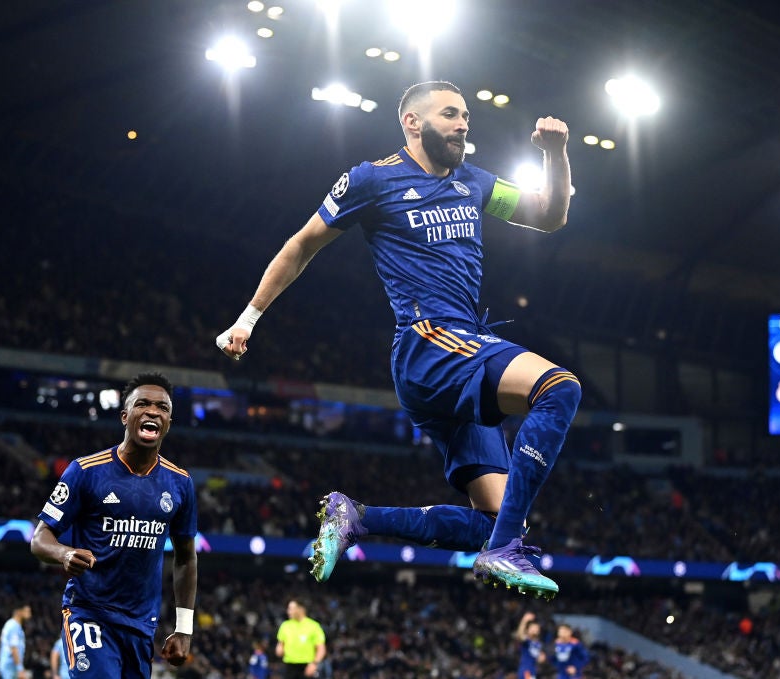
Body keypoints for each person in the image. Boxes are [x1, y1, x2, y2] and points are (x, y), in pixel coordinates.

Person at [216, 80, 579, 599]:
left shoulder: (473, 182)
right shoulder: (372, 179)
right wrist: (248, 318)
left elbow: (550, 215)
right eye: (450, 114)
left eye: (466, 116)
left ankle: (358, 517)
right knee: (559, 388)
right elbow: (301, 246)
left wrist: (557, 154)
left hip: (462, 350)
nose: (462, 124)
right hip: (429, 343)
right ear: (412, 122)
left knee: (496, 521)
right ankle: (504, 554)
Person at [30, 372, 199, 678]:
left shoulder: (180, 483)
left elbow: (186, 557)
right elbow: (40, 538)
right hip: (88, 611)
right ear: (125, 416)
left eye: (162, 408)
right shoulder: (85, 471)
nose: (152, 411)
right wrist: (64, 554)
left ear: (169, 423)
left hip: (140, 624)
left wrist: (184, 628)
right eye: (142, 404)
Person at [275, 600, 326, 678]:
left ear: (301, 609)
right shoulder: (285, 626)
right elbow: (280, 644)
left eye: (291, 609)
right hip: (289, 666)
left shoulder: (313, 626)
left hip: (307, 666)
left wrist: (314, 664)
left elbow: (321, 649)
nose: (289, 612)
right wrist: (279, 649)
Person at [0, 604, 32, 679]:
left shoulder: (13, 625)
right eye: (27, 611)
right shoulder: (14, 626)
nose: (30, 614)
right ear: (18, 612)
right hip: (10, 666)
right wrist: (20, 669)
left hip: (10, 665)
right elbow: (14, 648)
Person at [514, 612, 546, 679]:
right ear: (527, 630)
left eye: (537, 628)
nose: (535, 629)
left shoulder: (539, 644)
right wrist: (524, 621)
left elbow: (538, 657)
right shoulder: (526, 641)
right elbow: (520, 635)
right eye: (533, 628)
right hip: (525, 670)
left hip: (533, 670)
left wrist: (541, 658)